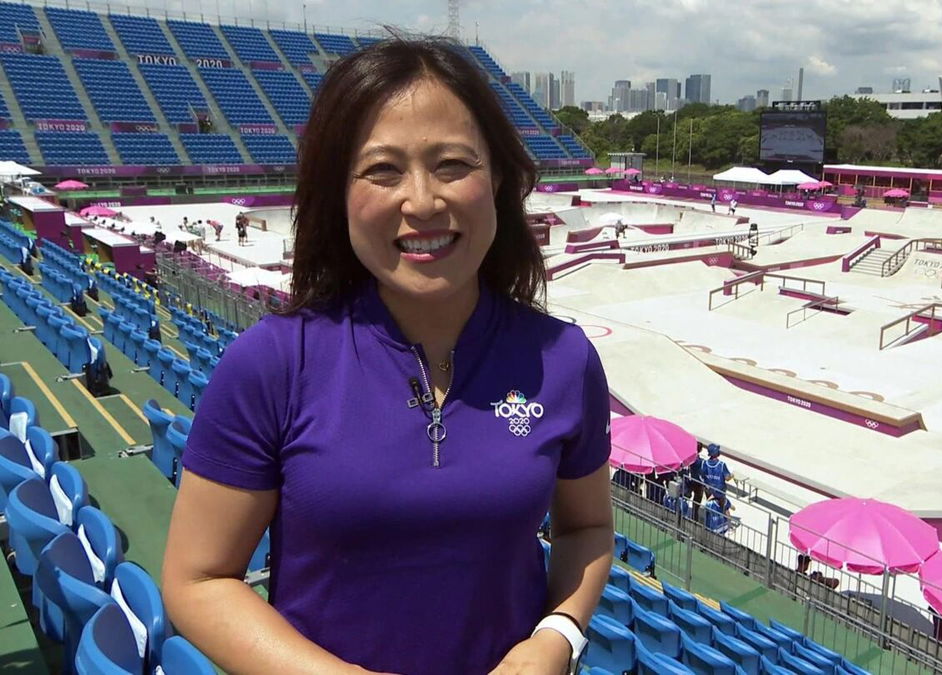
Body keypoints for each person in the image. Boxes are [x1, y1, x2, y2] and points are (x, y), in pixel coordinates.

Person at [161, 35, 613, 675]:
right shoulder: (273, 362)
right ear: (338, 193)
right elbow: (199, 579)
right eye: (383, 170)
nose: (423, 201)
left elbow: (586, 529)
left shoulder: (564, 359)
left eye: (454, 164)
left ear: (501, 178)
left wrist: (557, 637)